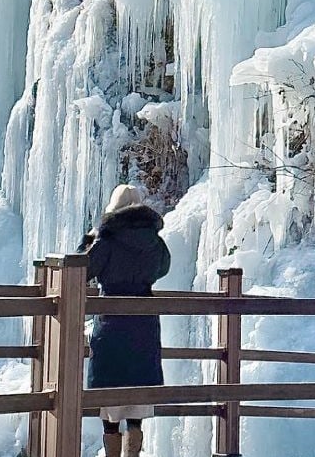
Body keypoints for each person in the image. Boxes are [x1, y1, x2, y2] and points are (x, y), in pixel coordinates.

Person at [83, 185, 171, 457]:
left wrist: (88, 241)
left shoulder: (106, 241)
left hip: (112, 320)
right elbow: (163, 268)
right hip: (143, 320)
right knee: (137, 392)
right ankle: (132, 453)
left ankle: (112, 453)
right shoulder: (155, 242)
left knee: (110, 395)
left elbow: (83, 269)